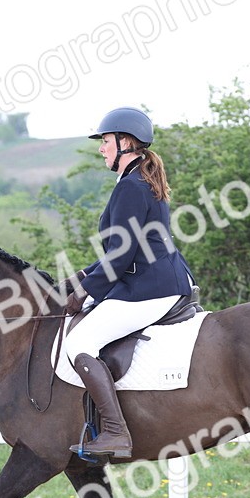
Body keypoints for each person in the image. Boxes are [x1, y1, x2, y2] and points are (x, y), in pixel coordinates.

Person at [63, 107, 195, 459]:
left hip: (149, 288)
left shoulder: (131, 188)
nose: (101, 149)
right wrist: (81, 276)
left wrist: (84, 292)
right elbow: (123, 248)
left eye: (105, 141)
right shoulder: (138, 181)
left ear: (126, 142)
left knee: (79, 342)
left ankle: (115, 433)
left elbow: (121, 257)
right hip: (158, 279)